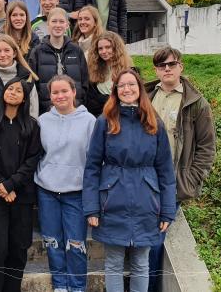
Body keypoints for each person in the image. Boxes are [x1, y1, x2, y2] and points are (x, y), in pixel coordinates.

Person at [83, 69, 177, 292]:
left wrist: (167, 210)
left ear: (140, 89)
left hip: (147, 201)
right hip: (113, 199)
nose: (127, 89)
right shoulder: (105, 121)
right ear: (115, 90)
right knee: (114, 263)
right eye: (121, 85)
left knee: (141, 263)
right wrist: (91, 208)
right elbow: (92, 167)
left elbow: (165, 170)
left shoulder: (154, 122)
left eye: (131, 85)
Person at [146, 46, 217, 292]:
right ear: (155, 69)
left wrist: (191, 179)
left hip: (171, 183)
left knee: (155, 240)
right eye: (161, 65)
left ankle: (151, 288)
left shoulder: (196, 103)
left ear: (180, 67)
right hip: (142, 179)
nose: (167, 69)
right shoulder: (145, 94)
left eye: (171, 64)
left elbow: (207, 148)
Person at [35, 75, 96, 292]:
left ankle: (77, 286)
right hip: (47, 190)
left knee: (76, 244)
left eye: (64, 91)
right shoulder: (42, 121)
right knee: (52, 241)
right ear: (49, 96)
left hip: (76, 192)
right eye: (55, 92)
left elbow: (94, 159)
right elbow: (37, 154)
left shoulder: (89, 121)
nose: (60, 96)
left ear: (74, 92)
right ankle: (60, 284)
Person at [0, 77, 41, 292]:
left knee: (18, 249)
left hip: (21, 196)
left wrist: (12, 184)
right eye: (10, 88)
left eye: (18, 90)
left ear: (25, 98)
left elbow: (32, 159)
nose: (13, 92)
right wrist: (1, 186)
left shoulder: (32, 126)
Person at [28, 7, 89, 114]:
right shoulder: (37, 52)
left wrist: (77, 103)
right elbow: (32, 85)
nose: (57, 25)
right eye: (54, 21)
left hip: (74, 110)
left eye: (61, 21)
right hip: (47, 112)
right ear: (48, 25)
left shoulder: (76, 50)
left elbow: (84, 82)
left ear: (67, 25)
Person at [0, 34, 40, 119]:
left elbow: (33, 110)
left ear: (14, 53)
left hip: (21, 130)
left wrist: (29, 130)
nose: (2, 54)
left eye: (7, 50)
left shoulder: (27, 77)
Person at [86, 31, 133, 117]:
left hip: (121, 115)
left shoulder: (128, 70)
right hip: (100, 115)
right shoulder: (93, 70)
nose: (104, 51)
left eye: (108, 47)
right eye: (100, 48)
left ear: (116, 48)